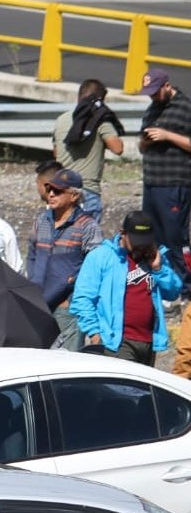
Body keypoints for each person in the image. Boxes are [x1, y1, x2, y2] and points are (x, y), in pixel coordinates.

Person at [70, 211, 181, 366]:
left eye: (145, 241)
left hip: (148, 341)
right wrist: (95, 333)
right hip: (116, 342)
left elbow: (173, 293)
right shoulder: (102, 256)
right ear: (122, 233)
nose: (141, 245)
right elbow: (82, 298)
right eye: (136, 240)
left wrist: (158, 269)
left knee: (144, 390)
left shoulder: (155, 256)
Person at [26, 168, 103, 351]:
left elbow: (95, 269)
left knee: (67, 366)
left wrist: (73, 292)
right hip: (39, 306)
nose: (51, 194)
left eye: (58, 191)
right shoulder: (41, 221)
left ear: (74, 196)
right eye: (49, 189)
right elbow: (31, 255)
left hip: (67, 309)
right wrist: (32, 283)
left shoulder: (88, 227)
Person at [139, 68, 191, 298]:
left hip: (175, 183)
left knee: (175, 238)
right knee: (153, 238)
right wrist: (146, 142)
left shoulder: (185, 107)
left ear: (167, 85)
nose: (152, 97)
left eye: (155, 92)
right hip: (152, 182)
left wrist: (168, 136)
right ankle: (165, 287)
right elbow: (140, 146)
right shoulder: (152, 109)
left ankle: (185, 288)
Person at [53, 78, 124, 223]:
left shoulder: (61, 119)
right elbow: (118, 149)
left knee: (61, 240)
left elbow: (56, 153)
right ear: (100, 99)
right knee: (88, 243)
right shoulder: (100, 120)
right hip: (87, 191)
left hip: (60, 190)